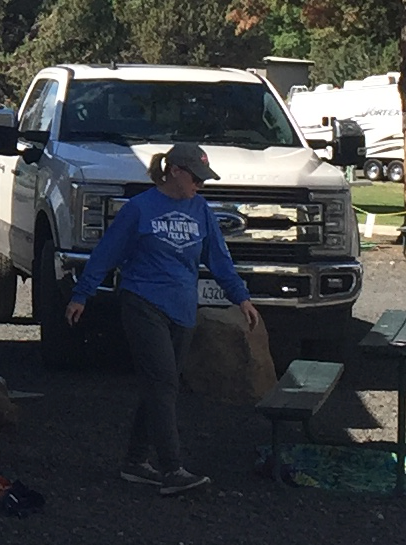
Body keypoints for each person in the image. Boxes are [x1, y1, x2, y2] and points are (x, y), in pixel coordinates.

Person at [65, 139, 263, 495]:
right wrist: (82, 294)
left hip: (182, 308)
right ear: (174, 171)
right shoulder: (139, 209)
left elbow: (218, 258)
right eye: (195, 177)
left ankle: (135, 461)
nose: (199, 184)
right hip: (143, 301)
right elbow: (107, 252)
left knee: (158, 385)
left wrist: (241, 298)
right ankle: (173, 469)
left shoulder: (201, 210)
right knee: (163, 383)